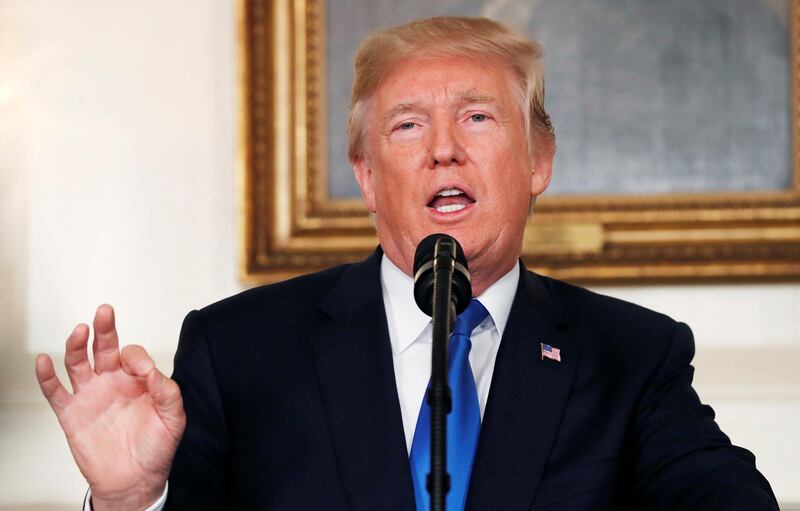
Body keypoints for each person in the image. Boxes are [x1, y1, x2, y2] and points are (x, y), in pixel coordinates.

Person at [36, 16, 778, 510]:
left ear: (539, 159)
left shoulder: (631, 354)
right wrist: (128, 502)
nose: (443, 148)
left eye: (478, 117)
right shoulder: (238, 350)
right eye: (407, 124)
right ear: (364, 173)